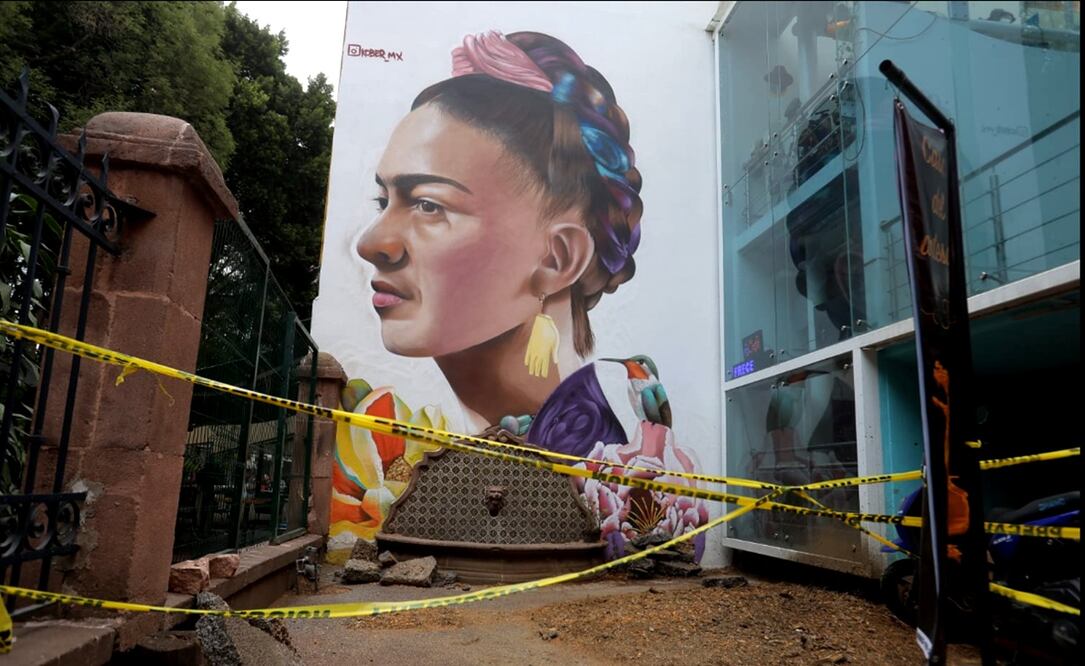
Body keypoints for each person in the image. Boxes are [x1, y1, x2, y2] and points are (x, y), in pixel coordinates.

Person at [335, 30, 707, 558]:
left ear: (557, 258)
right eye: (384, 200)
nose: (373, 244)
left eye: (428, 204)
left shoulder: (595, 454)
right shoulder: (513, 437)